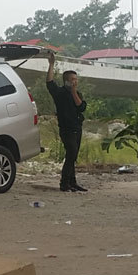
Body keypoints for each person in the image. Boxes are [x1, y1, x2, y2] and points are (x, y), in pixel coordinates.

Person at [46, 52, 88, 192]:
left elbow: (81, 107)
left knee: (73, 156)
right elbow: (50, 83)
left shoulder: (77, 93)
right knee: (71, 153)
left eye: (76, 79)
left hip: (77, 128)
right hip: (66, 129)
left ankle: (72, 182)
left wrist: (74, 91)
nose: (75, 81)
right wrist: (51, 64)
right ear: (67, 81)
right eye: (73, 79)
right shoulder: (60, 93)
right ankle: (64, 183)